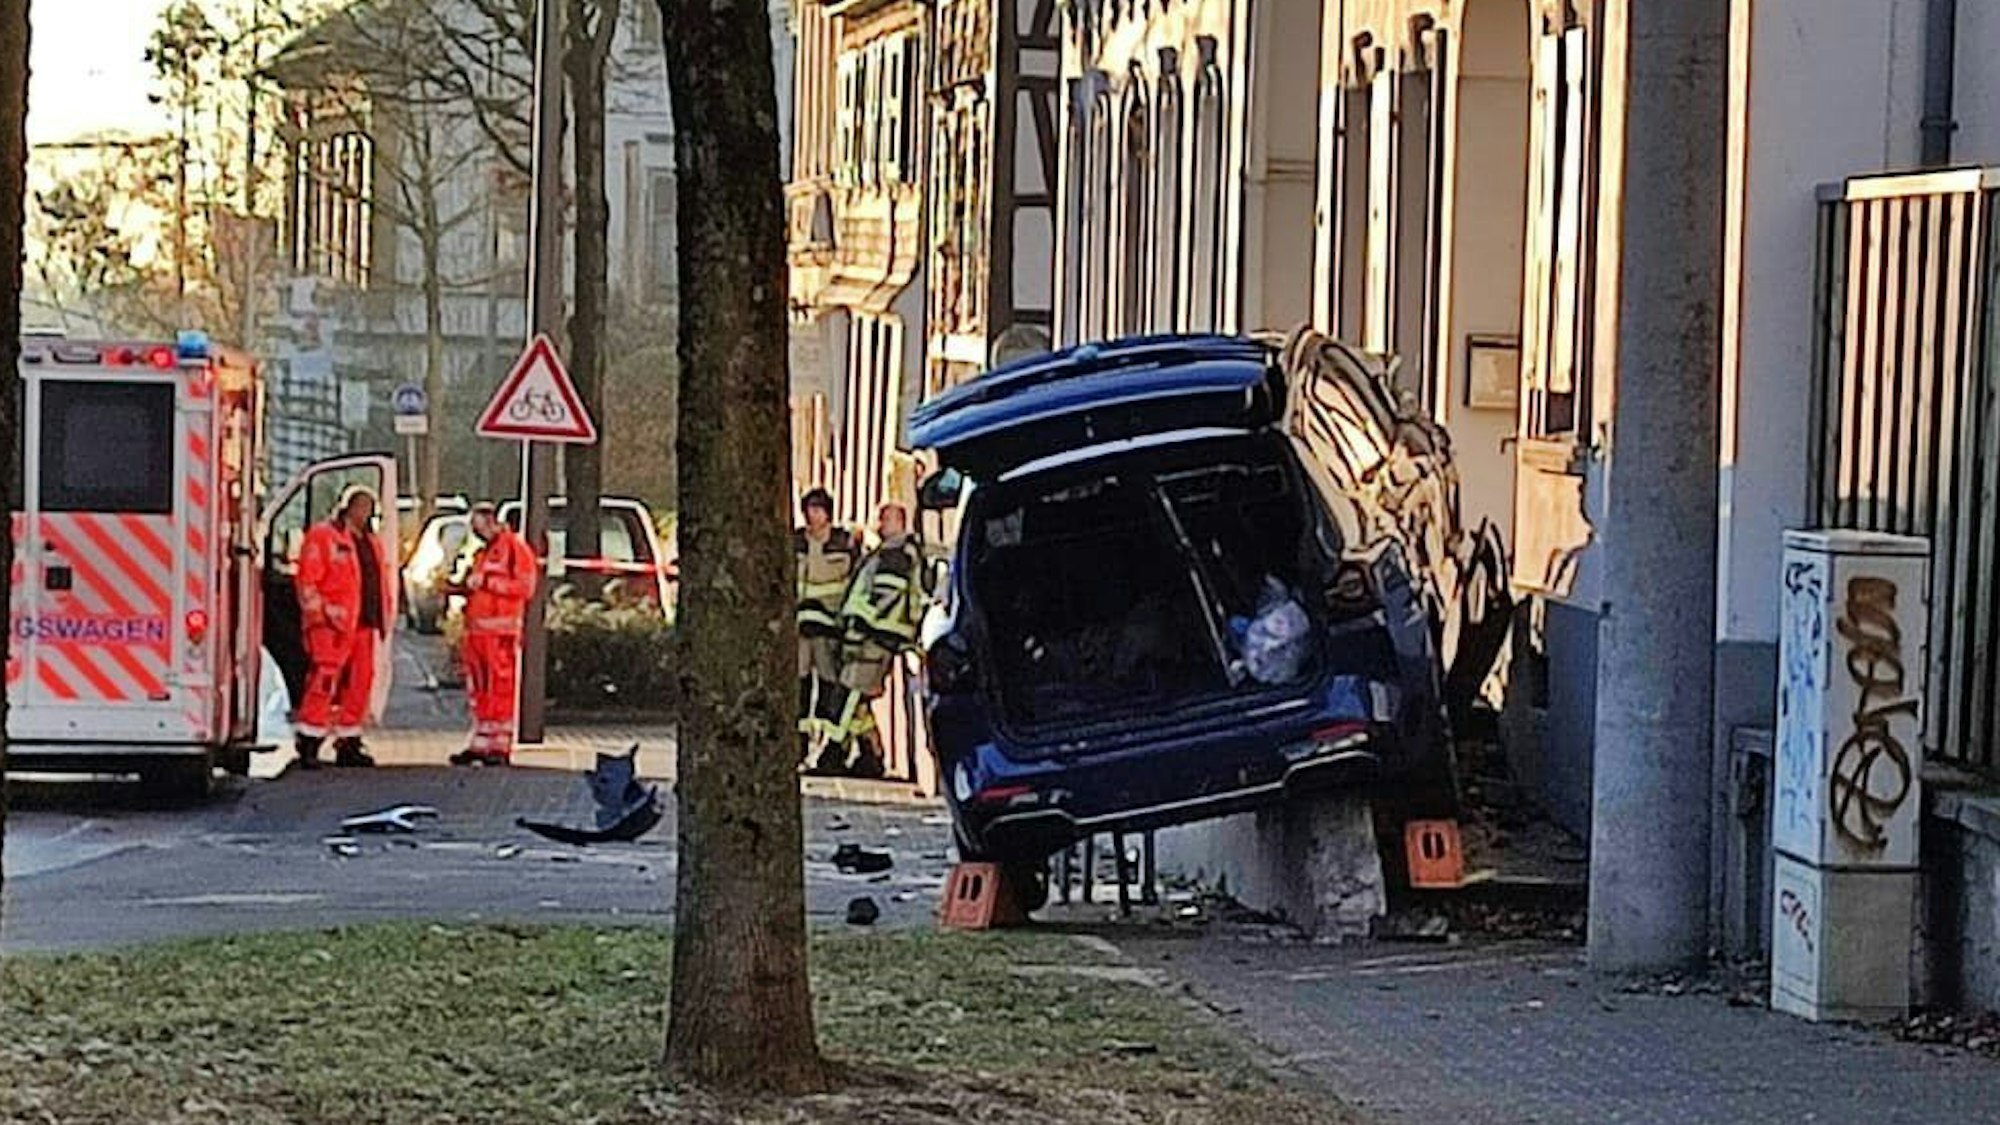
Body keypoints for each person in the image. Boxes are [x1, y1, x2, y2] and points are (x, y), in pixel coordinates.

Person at [294, 485, 397, 769]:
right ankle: (309, 739)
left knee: (361, 683)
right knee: (324, 680)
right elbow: (307, 583)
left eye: (369, 508)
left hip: (363, 623)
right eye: (361, 507)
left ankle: (349, 740)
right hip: (332, 625)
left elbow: (378, 581)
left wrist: (384, 617)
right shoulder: (324, 537)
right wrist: (322, 614)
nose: (366, 513)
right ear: (348, 507)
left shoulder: (370, 542)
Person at [826, 502, 929, 778]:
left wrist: (858, 628)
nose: (878, 525)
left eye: (884, 519)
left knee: (850, 693)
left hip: (877, 636)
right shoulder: (889, 552)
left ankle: (835, 750)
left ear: (898, 521)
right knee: (859, 701)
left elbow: (884, 598)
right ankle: (870, 753)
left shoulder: (896, 555)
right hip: (875, 635)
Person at [449, 503, 540, 766]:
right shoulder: (482, 553)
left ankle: (500, 744)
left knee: (500, 687)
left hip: (501, 631)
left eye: (478, 527)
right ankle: (482, 740)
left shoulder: (514, 549)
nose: (476, 533)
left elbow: (526, 587)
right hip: (478, 632)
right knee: (479, 688)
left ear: (491, 522)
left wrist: (488, 584)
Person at [795, 487, 859, 767]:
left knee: (829, 685)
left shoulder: (843, 543)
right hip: (799, 626)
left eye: (818, 509)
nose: (813, 515)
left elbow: (856, 580)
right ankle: (799, 746)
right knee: (800, 685)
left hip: (831, 627)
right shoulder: (796, 541)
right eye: (809, 509)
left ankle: (830, 747)